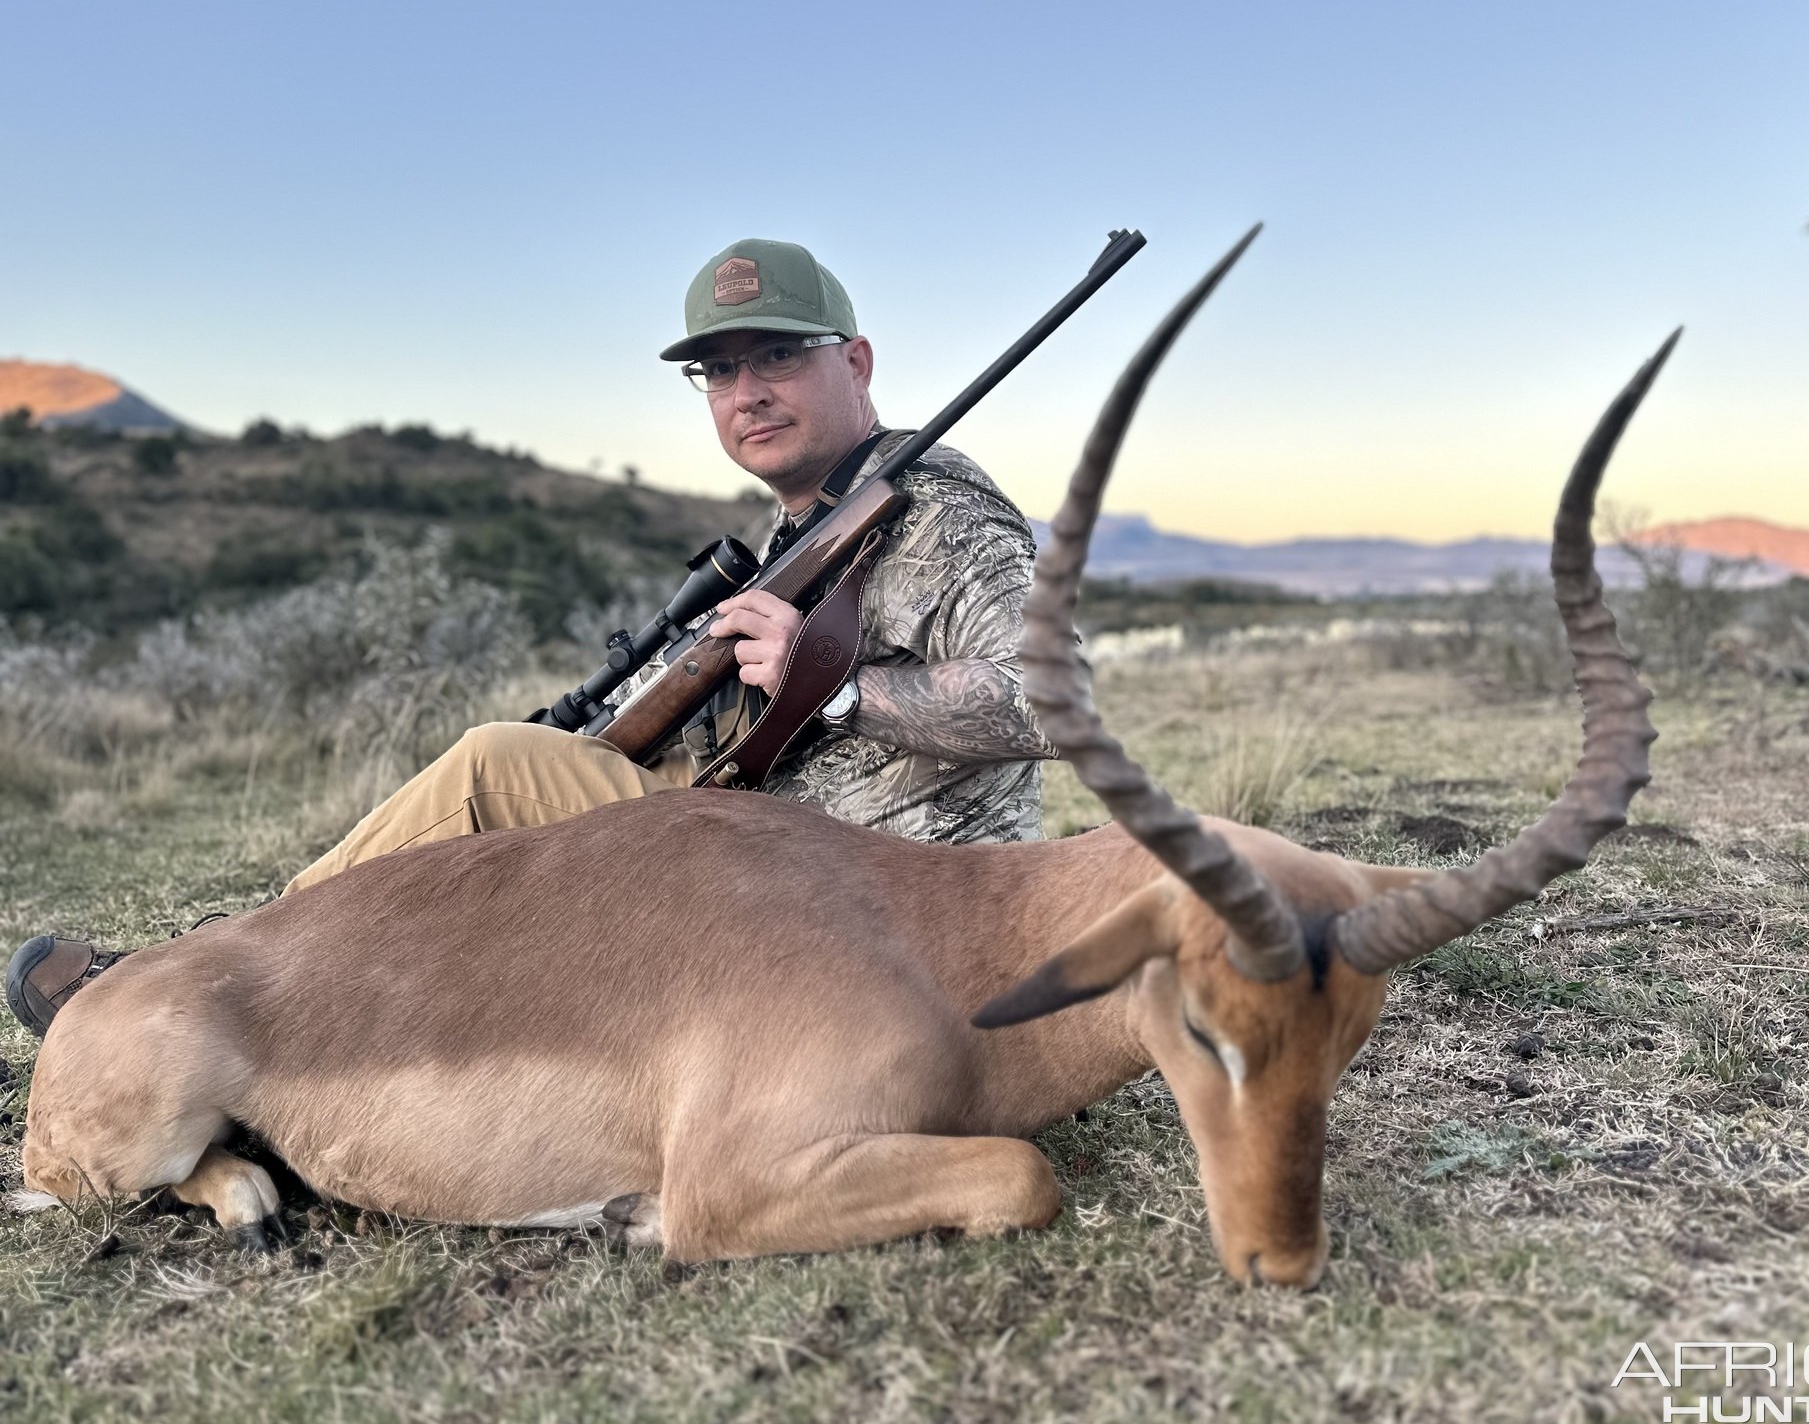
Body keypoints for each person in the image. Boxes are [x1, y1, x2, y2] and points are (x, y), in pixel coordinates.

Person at [7, 238, 1056, 1038]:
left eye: (778, 356)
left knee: (492, 772)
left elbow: (1055, 703)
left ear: (857, 361)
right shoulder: (806, 523)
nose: (749, 393)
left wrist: (834, 690)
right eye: (721, 373)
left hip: (887, 901)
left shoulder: (942, 513)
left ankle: (178, 986)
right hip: (782, 852)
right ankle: (279, 1004)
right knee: (540, 800)